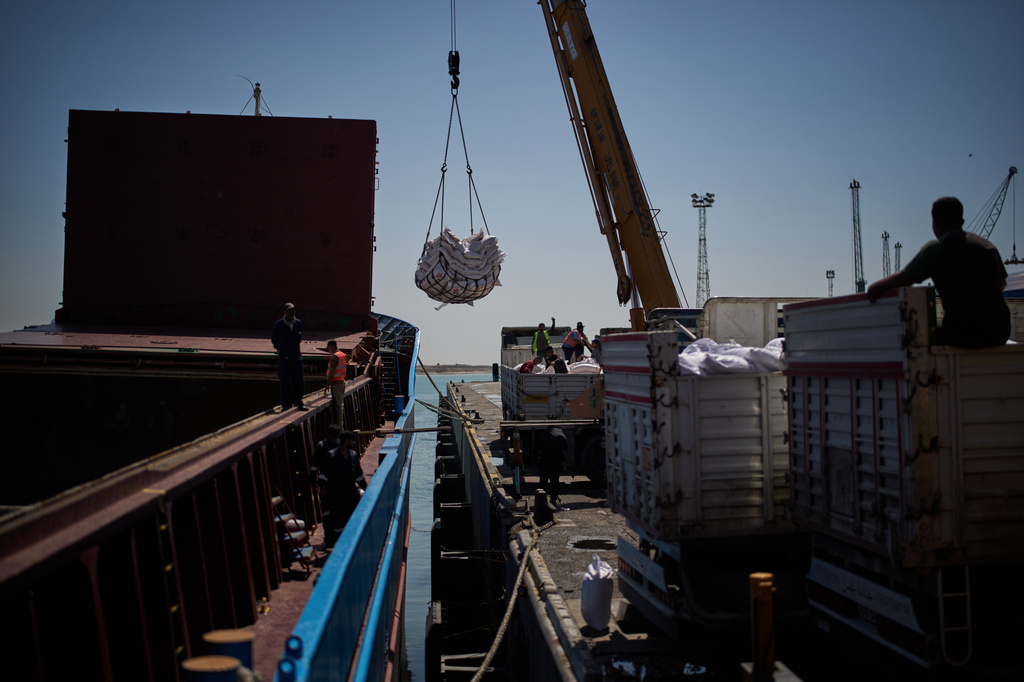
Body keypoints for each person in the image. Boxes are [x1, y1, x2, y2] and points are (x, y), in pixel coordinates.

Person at [867, 196, 1010, 348]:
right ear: (962, 222)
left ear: (934, 223)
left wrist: (874, 287)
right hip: (1000, 331)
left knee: (914, 338)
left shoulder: (937, 247)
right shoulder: (988, 246)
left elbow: (905, 278)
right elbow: (1002, 283)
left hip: (963, 332)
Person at [318, 429, 368, 546]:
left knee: (350, 518)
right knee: (337, 519)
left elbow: (359, 475)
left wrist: (366, 490)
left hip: (350, 495)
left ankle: (349, 542)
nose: (354, 443)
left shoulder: (353, 456)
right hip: (335, 495)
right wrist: (322, 490)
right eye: (352, 441)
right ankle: (336, 542)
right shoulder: (331, 456)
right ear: (346, 441)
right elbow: (324, 474)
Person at [272, 303, 306, 410]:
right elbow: (274, 338)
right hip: (284, 357)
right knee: (285, 381)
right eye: (289, 311)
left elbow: (299, 338)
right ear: (285, 312)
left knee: (299, 381)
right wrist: (279, 348)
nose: (292, 313)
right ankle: (286, 404)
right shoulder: (279, 324)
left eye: (293, 311)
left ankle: (298, 402)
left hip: (296, 356)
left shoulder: (298, 323)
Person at [537, 426, 568, 506]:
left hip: (545, 459)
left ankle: (542, 499)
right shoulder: (560, 435)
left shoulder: (545, 435)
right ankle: (553, 499)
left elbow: (537, 447)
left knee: (543, 479)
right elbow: (565, 447)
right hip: (556, 460)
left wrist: (536, 459)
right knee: (555, 480)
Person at [324, 340, 348, 427]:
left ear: (332, 346)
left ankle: (339, 426)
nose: (329, 350)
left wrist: (327, 385)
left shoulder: (335, 357)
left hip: (336, 383)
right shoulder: (341, 354)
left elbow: (331, 373)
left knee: (338, 406)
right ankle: (340, 424)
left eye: (329, 348)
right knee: (339, 404)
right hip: (341, 382)